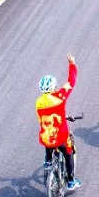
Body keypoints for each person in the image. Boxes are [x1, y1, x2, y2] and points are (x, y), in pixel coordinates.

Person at [37, 54, 80, 190]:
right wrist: (72, 64)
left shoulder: (38, 102)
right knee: (68, 153)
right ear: (54, 87)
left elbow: (42, 120)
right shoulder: (59, 97)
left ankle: (48, 160)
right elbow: (71, 81)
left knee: (47, 133)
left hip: (46, 138)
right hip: (61, 137)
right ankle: (71, 181)